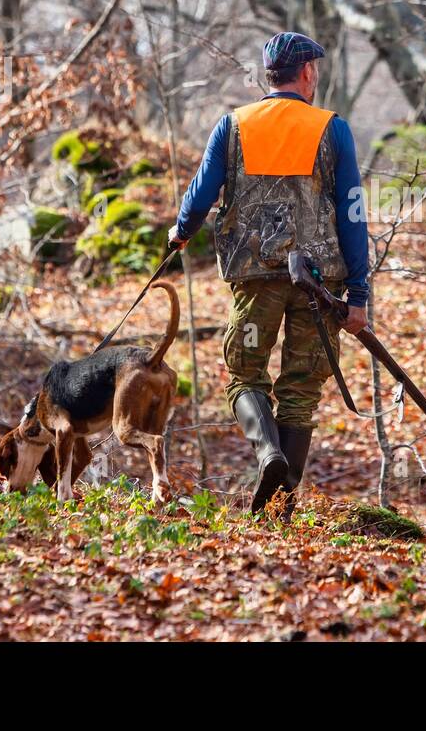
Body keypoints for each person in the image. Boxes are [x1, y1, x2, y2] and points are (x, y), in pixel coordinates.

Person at [168, 31, 369, 514]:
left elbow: (200, 195)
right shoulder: (332, 128)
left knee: (244, 372)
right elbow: (352, 212)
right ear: (306, 73)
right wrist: (359, 292)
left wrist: (180, 232)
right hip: (320, 286)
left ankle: (268, 453)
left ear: (267, 75)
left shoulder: (232, 125)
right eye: (314, 71)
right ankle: (279, 507)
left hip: (256, 279)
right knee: (301, 386)